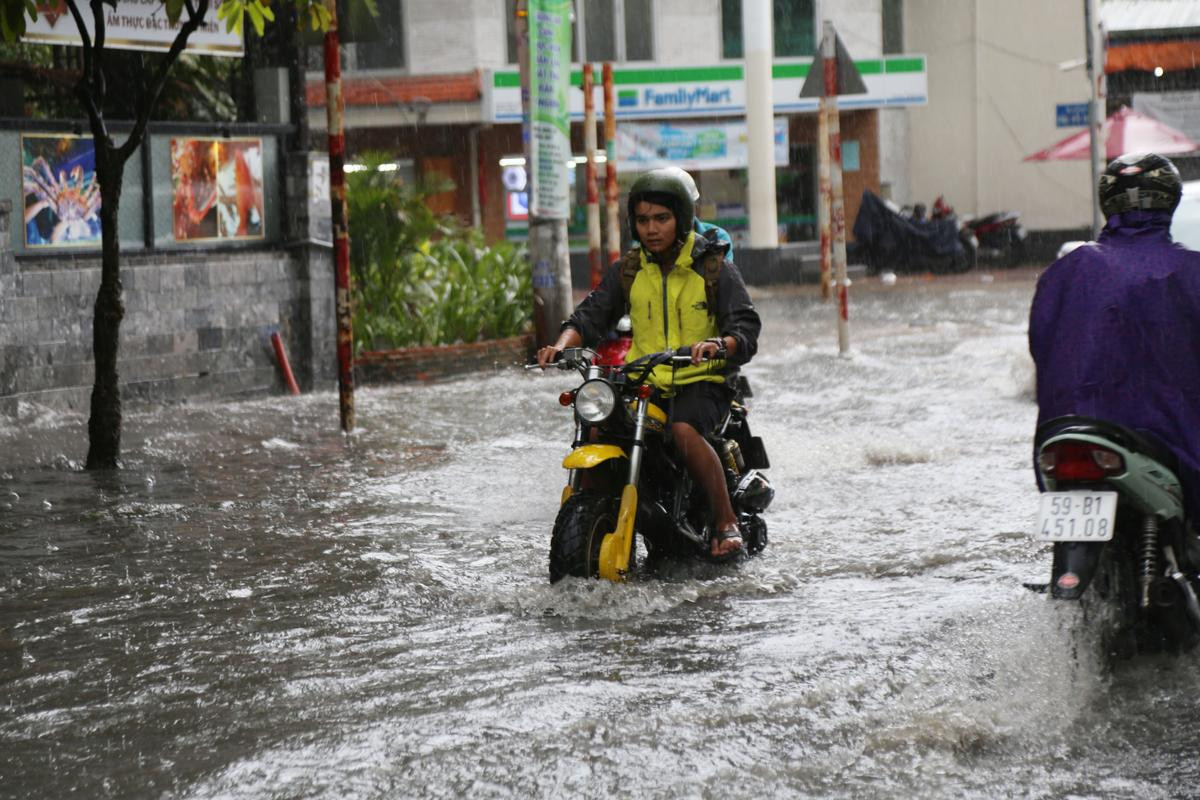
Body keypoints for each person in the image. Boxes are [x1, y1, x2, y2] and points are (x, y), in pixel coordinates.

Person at [537, 168, 762, 560]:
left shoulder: (712, 267)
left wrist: (717, 344)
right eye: (643, 220)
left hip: (702, 380)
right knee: (598, 427)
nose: (652, 228)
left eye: (662, 218)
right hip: (646, 379)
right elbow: (590, 316)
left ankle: (725, 521)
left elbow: (745, 328)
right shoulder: (629, 269)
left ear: (681, 217)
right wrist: (560, 346)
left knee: (683, 429)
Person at [1029, 152, 1200, 525]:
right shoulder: (1191, 270)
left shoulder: (1064, 272)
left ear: (1106, 203)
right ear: (1169, 201)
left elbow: (1042, 349)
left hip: (1067, 432)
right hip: (1171, 439)